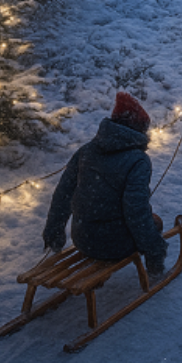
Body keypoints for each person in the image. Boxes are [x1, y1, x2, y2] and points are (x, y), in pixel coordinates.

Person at [43, 92, 168, 277]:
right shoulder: (138, 161)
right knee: (155, 221)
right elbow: (136, 211)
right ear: (139, 130)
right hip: (114, 245)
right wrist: (155, 250)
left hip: (83, 239)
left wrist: (54, 233)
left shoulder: (86, 151)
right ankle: (153, 266)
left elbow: (64, 193)